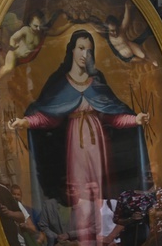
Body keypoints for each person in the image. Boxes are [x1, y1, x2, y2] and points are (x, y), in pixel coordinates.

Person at [9, 29, 151, 212]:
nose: (85, 54)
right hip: (74, 143)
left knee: (99, 186)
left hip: (99, 144)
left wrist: (135, 119)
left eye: (89, 50)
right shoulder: (60, 82)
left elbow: (113, 116)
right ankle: (80, 232)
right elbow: (49, 117)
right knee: (78, 188)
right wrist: (26, 122)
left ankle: (100, 233)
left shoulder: (97, 81)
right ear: (72, 50)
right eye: (81, 48)